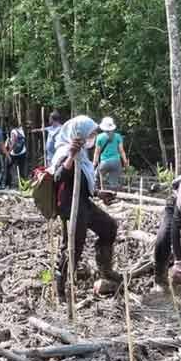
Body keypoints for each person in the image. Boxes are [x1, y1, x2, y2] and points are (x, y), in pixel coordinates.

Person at [50, 116, 122, 298]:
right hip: (70, 208)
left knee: (109, 227)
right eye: (90, 134)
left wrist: (98, 193)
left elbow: (82, 184)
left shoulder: (82, 155)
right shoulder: (66, 152)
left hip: (84, 204)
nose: (92, 137)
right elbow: (58, 177)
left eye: (93, 134)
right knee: (73, 247)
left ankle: (105, 270)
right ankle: (61, 288)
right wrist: (71, 155)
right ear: (79, 134)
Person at [94, 117, 129, 190]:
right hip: (116, 162)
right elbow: (121, 151)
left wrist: (94, 163)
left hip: (104, 162)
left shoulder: (99, 137)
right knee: (113, 183)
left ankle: (96, 190)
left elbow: (97, 152)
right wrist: (125, 161)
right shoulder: (118, 136)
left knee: (96, 176)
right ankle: (112, 193)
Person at [6, 122, 28, 187]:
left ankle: (8, 184)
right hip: (22, 152)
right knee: (21, 169)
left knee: (7, 167)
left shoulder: (13, 131)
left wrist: (8, 152)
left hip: (14, 154)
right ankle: (22, 184)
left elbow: (13, 142)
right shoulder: (21, 130)